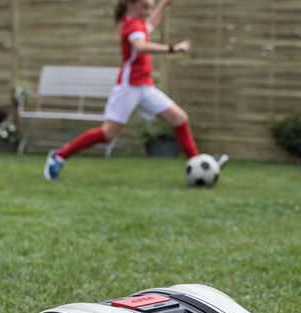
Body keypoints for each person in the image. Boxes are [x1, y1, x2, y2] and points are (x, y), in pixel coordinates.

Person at [44, 0, 221, 180]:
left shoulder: (138, 25)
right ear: (131, 5)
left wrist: (163, 5)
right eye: (145, 7)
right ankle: (59, 156)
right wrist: (173, 48)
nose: (147, 11)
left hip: (144, 87)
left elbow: (150, 25)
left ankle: (198, 163)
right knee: (107, 133)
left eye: (150, 7)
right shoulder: (131, 26)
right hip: (128, 88)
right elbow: (140, 46)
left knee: (180, 119)